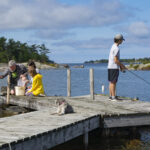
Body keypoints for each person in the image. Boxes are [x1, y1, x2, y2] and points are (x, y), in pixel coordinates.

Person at [108, 34, 126, 101]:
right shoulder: (116, 48)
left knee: (111, 82)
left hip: (110, 67)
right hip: (114, 67)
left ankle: (111, 96)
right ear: (119, 40)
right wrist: (122, 65)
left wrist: (120, 66)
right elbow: (116, 60)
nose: (122, 41)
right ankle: (113, 97)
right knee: (113, 82)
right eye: (122, 40)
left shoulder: (112, 46)